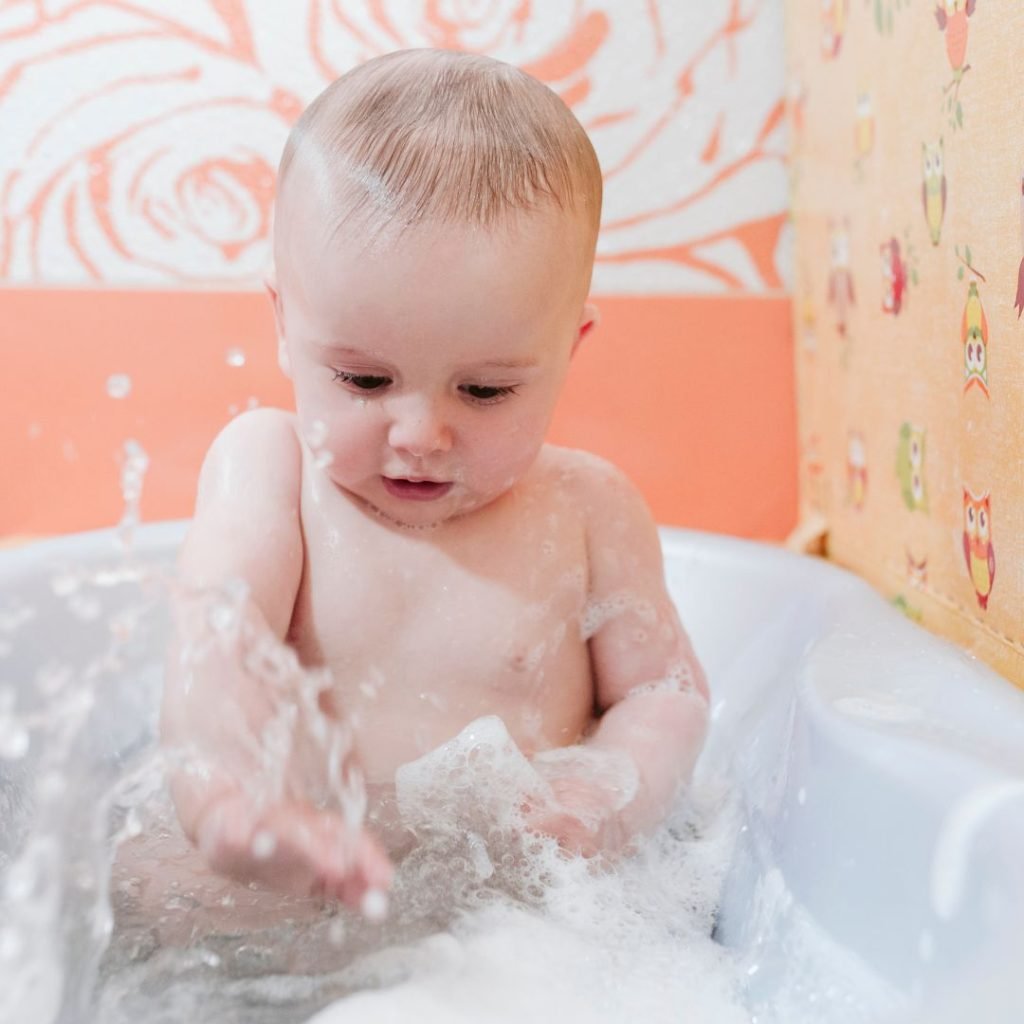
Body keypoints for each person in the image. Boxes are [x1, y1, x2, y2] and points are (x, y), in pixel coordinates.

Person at [160, 47, 709, 919]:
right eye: (363, 381)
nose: (420, 436)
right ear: (284, 325)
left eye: (485, 390)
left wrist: (601, 801)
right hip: (287, 900)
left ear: (569, 348)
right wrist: (228, 801)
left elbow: (663, 693)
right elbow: (216, 637)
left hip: (507, 926)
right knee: (150, 897)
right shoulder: (269, 470)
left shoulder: (588, 511)